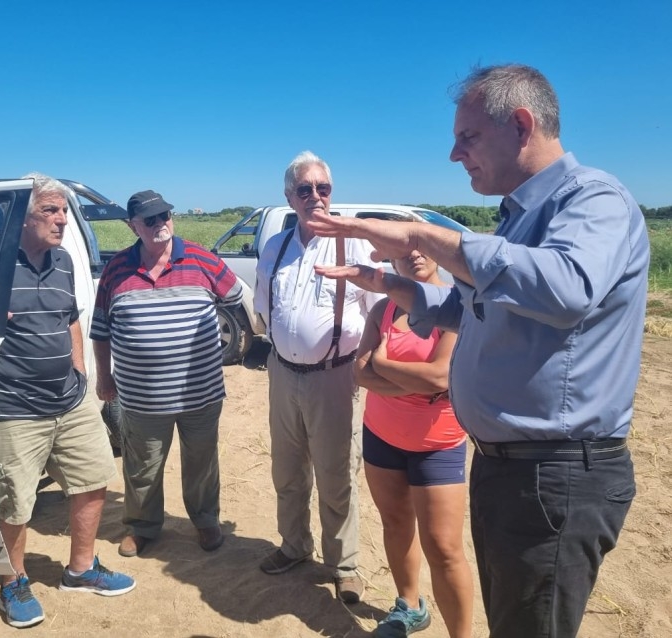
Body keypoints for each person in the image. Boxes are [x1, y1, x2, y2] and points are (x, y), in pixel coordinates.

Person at [310, 64, 648, 638]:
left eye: (467, 137)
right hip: (510, 466)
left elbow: (566, 287)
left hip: (556, 473)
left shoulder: (594, 200)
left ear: (521, 124)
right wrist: (388, 284)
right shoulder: (516, 221)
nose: (453, 155)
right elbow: (472, 309)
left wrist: (419, 236)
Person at [0, 173, 135, 629]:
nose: (62, 220)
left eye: (63, 211)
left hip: (70, 398)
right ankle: (13, 581)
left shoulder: (60, 260)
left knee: (94, 478)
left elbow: (70, 319)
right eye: (51, 211)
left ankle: (81, 570)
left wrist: (79, 368)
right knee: (15, 502)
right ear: (23, 216)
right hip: (15, 405)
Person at [254, 151, 381, 604]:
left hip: (334, 377)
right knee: (287, 469)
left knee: (335, 472)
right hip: (283, 374)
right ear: (289, 197)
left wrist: (363, 369)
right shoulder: (276, 247)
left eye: (322, 188)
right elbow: (262, 312)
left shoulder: (354, 246)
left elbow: (376, 317)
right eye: (304, 189)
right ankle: (293, 546)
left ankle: (344, 564)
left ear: (332, 192)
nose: (315, 196)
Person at [91, 189, 242, 558]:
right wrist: (104, 377)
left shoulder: (200, 258)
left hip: (201, 395)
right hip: (142, 399)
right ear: (132, 226)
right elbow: (100, 329)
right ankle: (142, 527)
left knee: (202, 462)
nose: (161, 225)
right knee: (142, 466)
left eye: (165, 216)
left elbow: (236, 296)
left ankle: (206, 520)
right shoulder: (116, 270)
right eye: (150, 220)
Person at [356, 244, 472, 637]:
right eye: (404, 251)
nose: (415, 256)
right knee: (395, 523)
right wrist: (413, 386)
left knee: (444, 548)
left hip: (437, 444)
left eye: (422, 248)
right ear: (392, 261)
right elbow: (359, 373)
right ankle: (409, 606)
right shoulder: (383, 309)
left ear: (438, 253)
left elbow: (441, 377)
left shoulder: (456, 306)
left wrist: (385, 365)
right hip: (381, 436)